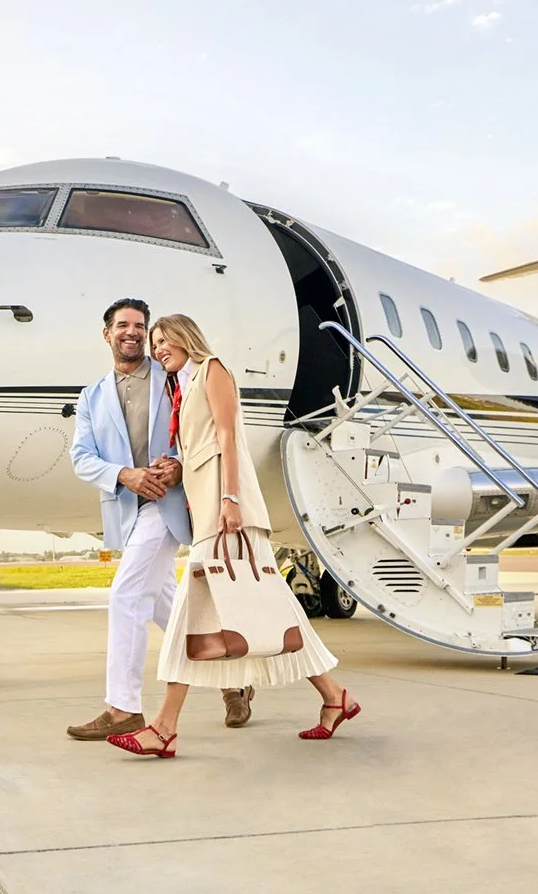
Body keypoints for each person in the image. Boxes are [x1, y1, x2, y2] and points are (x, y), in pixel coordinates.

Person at [110, 313, 360, 758]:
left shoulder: (213, 369)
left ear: (187, 338)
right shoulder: (182, 389)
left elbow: (228, 436)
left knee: (191, 618)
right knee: (276, 614)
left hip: (229, 515)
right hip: (211, 513)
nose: (159, 348)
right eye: (155, 344)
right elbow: (203, 447)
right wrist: (179, 468)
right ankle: (335, 696)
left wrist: (230, 500)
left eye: (165, 339)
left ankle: (164, 728)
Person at [67, 299, 258, 741]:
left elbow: (198, 426)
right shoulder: (91, 397)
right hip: (126, 507)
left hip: (168, 502)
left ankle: (124, 708)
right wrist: (124, 475)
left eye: (140, 326)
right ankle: (233, 677)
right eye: (123, 325)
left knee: (127, 594)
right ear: (107, 334)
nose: (132, 333)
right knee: (161, 604)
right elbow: (81, 457)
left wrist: (177, 464)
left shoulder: (172, 375)